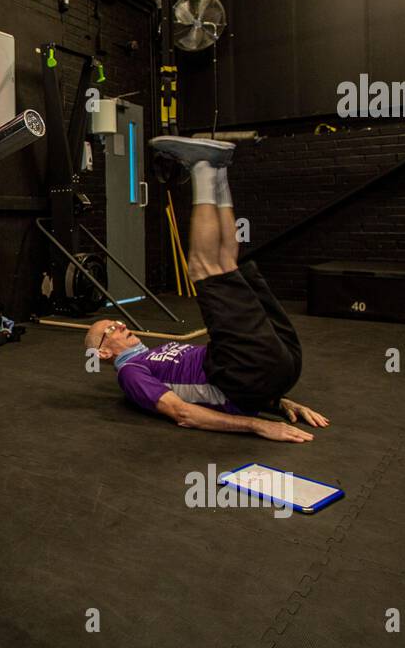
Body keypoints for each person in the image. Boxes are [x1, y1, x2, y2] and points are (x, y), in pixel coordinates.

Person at [85, 136, 331, 442]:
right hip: (249, 373)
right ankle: (202, 166)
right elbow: (182, 413)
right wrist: (258, 425)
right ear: (104, 352)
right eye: (111, 328)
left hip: (269, 367)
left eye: (117, 322)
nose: (121, 325)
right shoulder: (131, 374)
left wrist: (278, 401)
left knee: (228, 264)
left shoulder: (153, 353)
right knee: (202, 270)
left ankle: (218, 171)